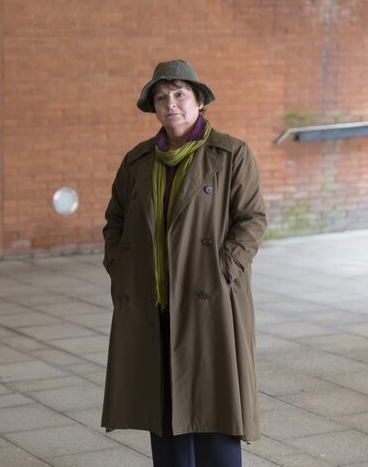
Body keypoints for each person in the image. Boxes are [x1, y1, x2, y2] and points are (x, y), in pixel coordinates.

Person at [101, 59, 266, 467]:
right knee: (162, 410)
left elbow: (252, 219)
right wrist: (120, 268)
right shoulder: (138, 161)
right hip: (151, 300)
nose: (170, 104)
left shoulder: (230, 154)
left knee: (215, 405)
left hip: (209, 300)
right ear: (153, 107)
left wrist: (226, 266)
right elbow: (115, 221)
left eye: (179, 95)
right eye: (161, 97)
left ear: (198, 101)